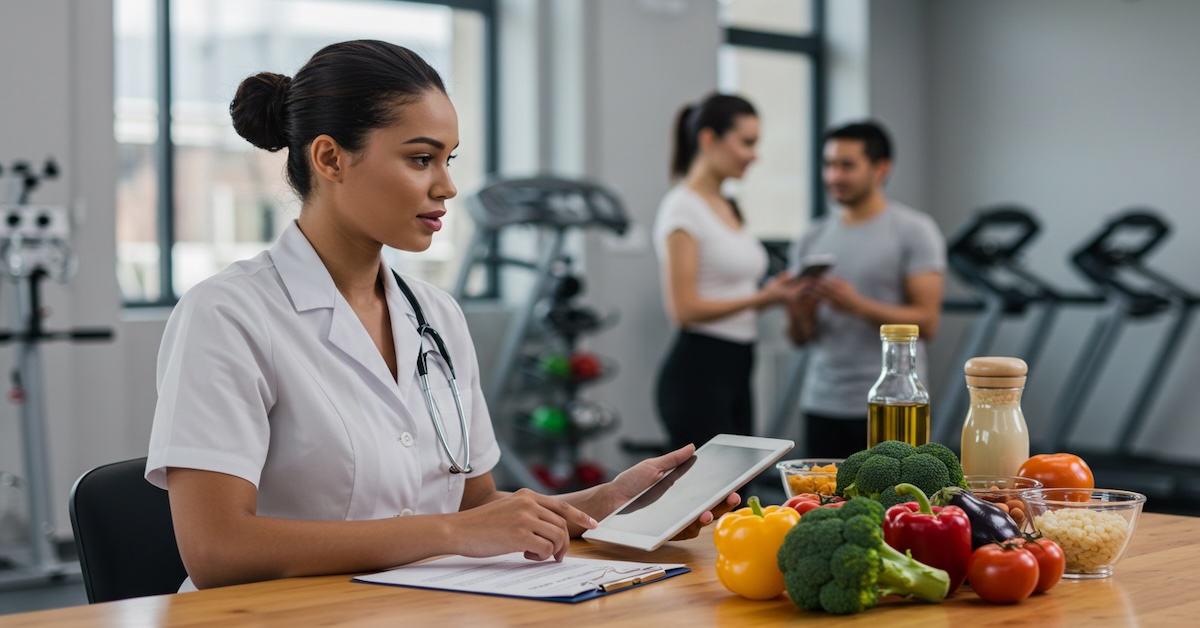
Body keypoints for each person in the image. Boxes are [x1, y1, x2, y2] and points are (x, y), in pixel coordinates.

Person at [145, 40, 736, 591]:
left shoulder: (436, 316)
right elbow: (216, 549)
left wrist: (609, 504)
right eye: (421, 159)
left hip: (417, 605)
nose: (448, 186)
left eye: (449, 159)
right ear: (329, 158)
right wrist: (449, 534)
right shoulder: (228, 314)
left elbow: (473, 506)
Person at [786, 121, 946, 458]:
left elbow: (927, 322)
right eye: (829, 165)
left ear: (881, 169)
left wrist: (856, 305)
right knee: (825, 504)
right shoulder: (811, 237)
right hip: (823, 401)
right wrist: (800, 315)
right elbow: (800, 338)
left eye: (847, 165)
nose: (834, 176)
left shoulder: (914, 231)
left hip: (892, 404)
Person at [652, 93, 800, 451]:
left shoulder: (728, 205)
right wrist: (765, 297)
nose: (754, 155)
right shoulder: (682, 209)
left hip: (737, 363)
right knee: (713, 500)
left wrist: (772, 293)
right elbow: (684, 310)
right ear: (708, 140)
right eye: (746, 142)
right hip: (699, 370)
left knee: (737, 492)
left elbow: (734, 290)